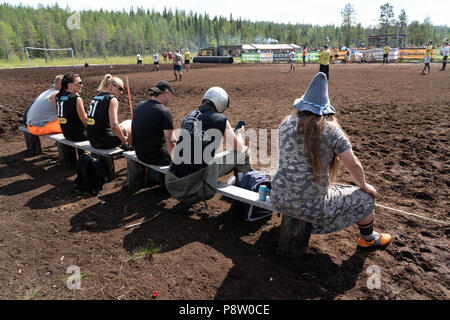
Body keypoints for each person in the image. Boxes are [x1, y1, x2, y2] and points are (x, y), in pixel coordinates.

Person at [271, 72, 392, 248]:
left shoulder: (286, 123)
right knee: (365, 198)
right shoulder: (331, 131)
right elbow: (353, 164)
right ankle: (368, 239)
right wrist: (365, 186)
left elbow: (282, 156)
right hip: (311, 207)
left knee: (325, 189)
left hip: (279, 197)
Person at [165, 87, 250, 204]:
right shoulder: (220, 119)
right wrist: (239, 134)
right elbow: (238, 147)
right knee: (244, 152)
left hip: (174, 181)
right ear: (221, 104)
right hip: (196, 183)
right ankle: (243, 193)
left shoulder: (189, 116)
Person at [132, 80, 176, 165]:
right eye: (171, 96)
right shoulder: (164, 111)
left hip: (140, 154)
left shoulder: (139, 105)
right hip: (157, 158)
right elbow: (169, 140)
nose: (170, 100)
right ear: (166, 93)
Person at [86, 74, 131, 150]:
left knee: (120, 126)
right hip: (105, 142)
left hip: (92, 141)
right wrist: (123, 139)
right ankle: (130, 150)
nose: (122, 92)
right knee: (130, 123)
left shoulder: (96, 97)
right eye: (120, 89)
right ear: (110, 86)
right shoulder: (112, 99)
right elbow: (114, 126)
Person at [56, 73, 88, 142]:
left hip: (66, 134)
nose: (82, 85)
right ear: (69, 84)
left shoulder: (58, 96)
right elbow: (84, 119)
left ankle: (81, 153)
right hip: (79, 135)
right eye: (79, 83)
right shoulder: (76, 98)